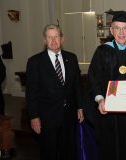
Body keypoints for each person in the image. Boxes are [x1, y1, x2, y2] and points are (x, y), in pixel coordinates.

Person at [87, 13, 126, 160]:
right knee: (111, 147)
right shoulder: (102, 51)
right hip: (109, 110)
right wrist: (100, 99)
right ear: (111, 31)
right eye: (117, 28)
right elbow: (93, 76)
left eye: (125, 28)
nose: (121, 32)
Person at [26, 24, 84, 160]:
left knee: (69, 152)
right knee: (49, 153)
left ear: (62, 39)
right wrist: (34, 117)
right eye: (49, 37)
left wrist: (80, 106)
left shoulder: (72, 58)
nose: (53, 41)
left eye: (56, 37)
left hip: (69, 116)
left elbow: (77, 85)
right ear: (44, 40)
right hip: (47, 118)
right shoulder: (35, 62)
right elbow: (31, 92)